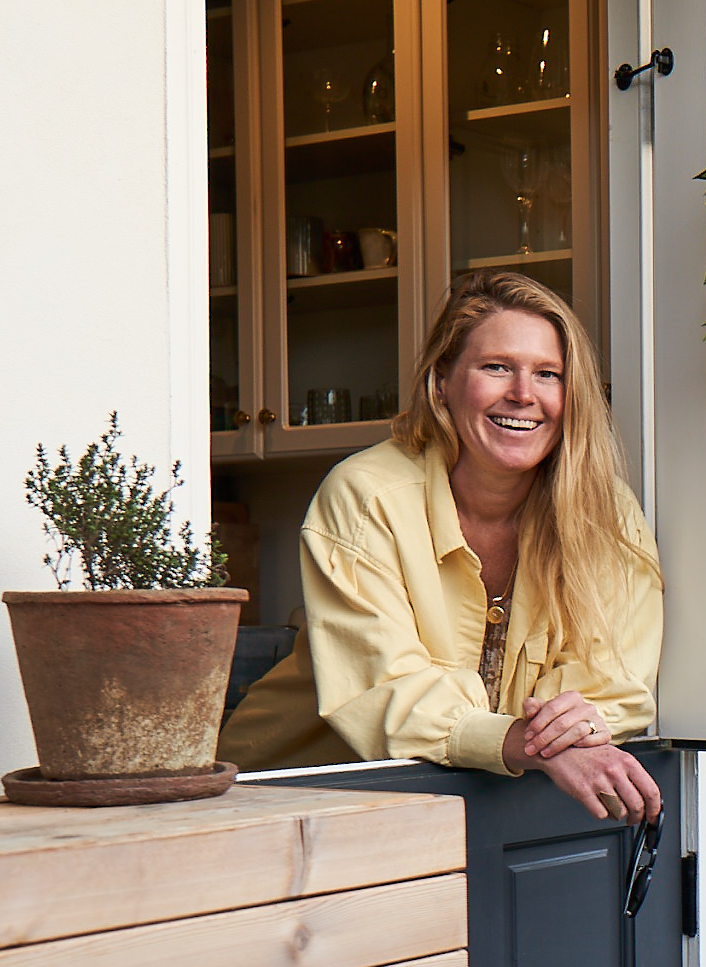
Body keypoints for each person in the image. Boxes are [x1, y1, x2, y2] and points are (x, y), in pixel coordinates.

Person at [220, 271, 663, 822]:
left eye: (548, 374)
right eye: (496, 367)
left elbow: (614, 675)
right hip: (295, 797)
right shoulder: (366, 496)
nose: (524, 394)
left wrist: (565, 728)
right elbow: (387, 688)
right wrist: (530, 741)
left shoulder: (605, 512)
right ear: (441, 382)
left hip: (489, 801)